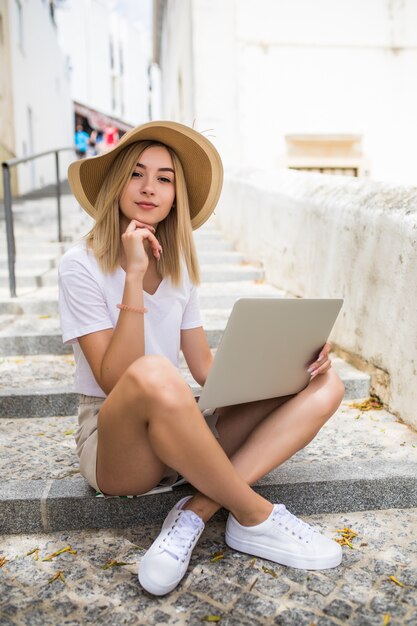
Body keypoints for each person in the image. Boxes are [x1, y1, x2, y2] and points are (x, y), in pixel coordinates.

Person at [59, 121, 345, 597]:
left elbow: (206, 371)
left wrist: (294, 360)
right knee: (152, 372)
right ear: (116, 184)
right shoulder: (80, 265)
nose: (149, 187)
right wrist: (133, 275)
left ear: (176, 197)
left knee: (327, 385)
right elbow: (117, 381)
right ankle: (256, 515)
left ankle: (195, 513)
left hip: (178, 420)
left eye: (165, 178)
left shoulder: (179, 271)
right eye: (136, 173)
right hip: (115, 442)